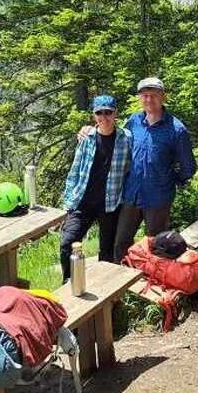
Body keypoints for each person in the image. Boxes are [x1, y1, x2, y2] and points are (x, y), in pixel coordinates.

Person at [112, 77, 197, 260]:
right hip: (131, 195)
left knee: (156, 247)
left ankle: (153, 285)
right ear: (139, 98)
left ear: (163, 97)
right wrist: (90, 131)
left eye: (154, 95)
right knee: (121, 242)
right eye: (144, 95)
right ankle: (122, 283)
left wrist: (170, 180)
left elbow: (188, 167)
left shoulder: (176, 129)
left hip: (158, 198)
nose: (149, 100)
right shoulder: (134, 121)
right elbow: (117, 143)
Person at [59, 95, 132, 280]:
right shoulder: (87, 138)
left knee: (106, 251)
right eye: (99, 112)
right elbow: (74, 171)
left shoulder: (126, 138)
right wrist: (68, 203)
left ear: (116, 114)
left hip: (110, 204)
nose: (104, 117)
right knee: (67, 243)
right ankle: (70, 281)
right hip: (82, 203)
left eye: (108, 112)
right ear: (94, 116)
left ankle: (104, 286)